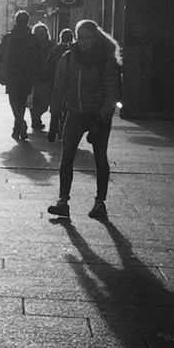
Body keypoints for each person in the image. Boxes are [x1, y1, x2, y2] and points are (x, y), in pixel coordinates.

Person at [46, 19, 122, 220]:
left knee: (100, 158)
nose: (83, 42)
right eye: (80, 37)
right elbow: (59, 86)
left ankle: (100, 202)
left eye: (87, 38)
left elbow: (112, 91)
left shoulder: (106, 60)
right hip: (76, 113)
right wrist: (54, 115)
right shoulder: (69, 58)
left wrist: (103, 117)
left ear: (96, 38)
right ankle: (63, 201)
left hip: (98, 115)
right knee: (66, 158)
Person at [0, 10, 43, 140]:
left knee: (14, 101)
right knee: (22, 101)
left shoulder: (8, 38)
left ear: (16, 21)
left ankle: (19, 124)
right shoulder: (32, 39)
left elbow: (0, 55)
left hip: (12, 74)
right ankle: (19, 124)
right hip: (27, 75)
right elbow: (38, 58)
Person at [44, 28, 75, 142]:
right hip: (71, 84)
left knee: (55, 107)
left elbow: (49, 65)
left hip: (56, 82)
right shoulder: (74, 50)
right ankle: (64, 131)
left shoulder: (55, 50)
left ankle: (52, 131)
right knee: (68, 109)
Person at [29, 22, 53, 133]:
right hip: (36, 77)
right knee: (36, 100)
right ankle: (36, 119)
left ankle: (36, 117)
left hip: (45, 76)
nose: (40, 36)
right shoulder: (31, 45)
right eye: (38, 33)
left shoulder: (50, 45)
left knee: (42, 102)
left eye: (42, 33)